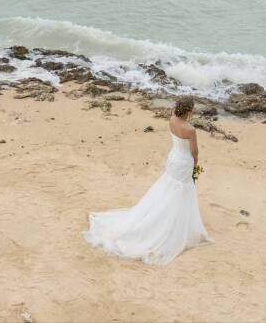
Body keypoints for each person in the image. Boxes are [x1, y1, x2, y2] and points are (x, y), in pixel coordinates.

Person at [84, 95, 211, 264]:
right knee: (180, 191)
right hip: (183, 162)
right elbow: (194, 152)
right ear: (189, 110)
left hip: (173, 158)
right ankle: (172, 225)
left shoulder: (172, 119)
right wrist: (195, 164)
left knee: (168, 188)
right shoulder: (190, 129)